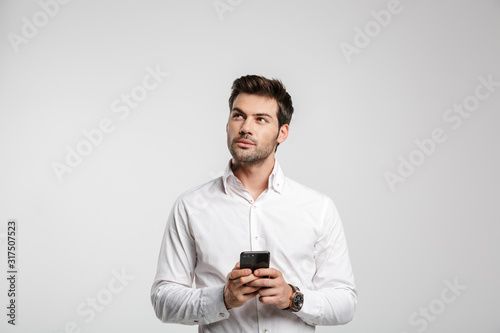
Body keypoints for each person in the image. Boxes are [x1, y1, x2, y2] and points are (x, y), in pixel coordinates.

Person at [150, 75, 357, 332]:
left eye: (261, 119)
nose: (246, 127)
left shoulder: (318, 208)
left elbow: (345, 303)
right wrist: (223, 298)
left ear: (282, 132)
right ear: (227, 124)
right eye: (238, 115)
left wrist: (292, 298)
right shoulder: (191, 206)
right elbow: (163, 301)